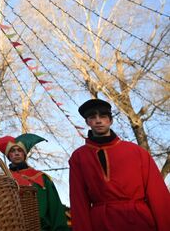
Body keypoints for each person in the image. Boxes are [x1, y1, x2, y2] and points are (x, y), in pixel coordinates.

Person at [69, 98, 170, 231]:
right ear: (87, 122)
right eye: (93, 117)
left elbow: (157, 193)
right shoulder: (79, 157)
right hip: (101, 223)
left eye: (103, 116)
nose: (98, 121)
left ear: (110, 120)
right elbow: (79, 201)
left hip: (139, 220)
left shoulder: (136, 152)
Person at [0, 134, 69, 231]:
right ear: (8, 156)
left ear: (24, 154)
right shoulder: (2, 182)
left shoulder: (42, 178)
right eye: (12, 151)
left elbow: (55, 210)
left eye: (20, 150)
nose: (17, 153)